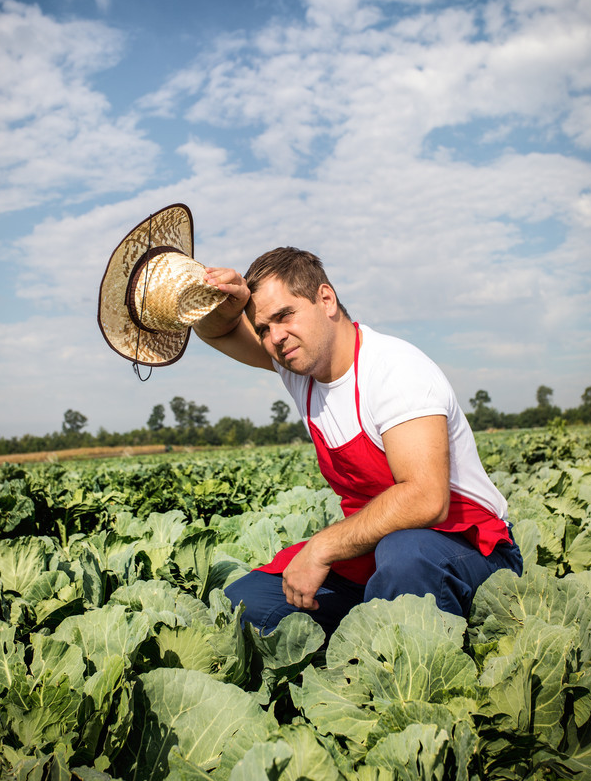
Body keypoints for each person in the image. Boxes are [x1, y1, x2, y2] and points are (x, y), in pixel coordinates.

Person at [193, 247, 523, 637]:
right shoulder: (299, 369)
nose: (275, 337)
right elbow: (217, 331)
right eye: (263, 328)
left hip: (467, 549)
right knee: (245, 608)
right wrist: (226, 302)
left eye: (284, 316)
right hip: (374, 550)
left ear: (326, 300)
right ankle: (362, 643)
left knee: (405, 556)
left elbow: (426, 499)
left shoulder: (395, 370)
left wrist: (320, 548)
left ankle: (426, 656)